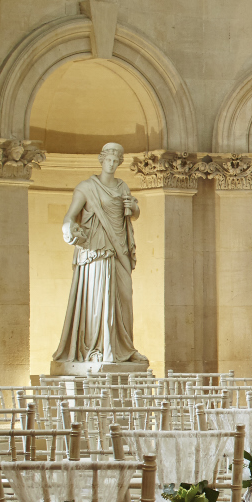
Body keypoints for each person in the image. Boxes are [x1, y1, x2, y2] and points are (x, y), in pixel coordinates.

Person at [51, 142, 149, 367]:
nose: (112, 164)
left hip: (119, 249)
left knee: (124, 296)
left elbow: (133, 213)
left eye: (116, 161)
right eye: (109, 160)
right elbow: (70, 215)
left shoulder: (122, 186)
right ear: (101, 160)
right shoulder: (86, 188)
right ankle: (97, 348)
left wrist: (133, 207)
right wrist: (68, 228)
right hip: (96, 249)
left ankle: (123, 348)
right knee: (99, 299)